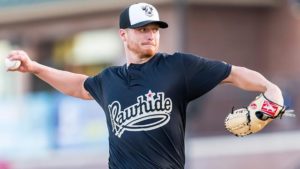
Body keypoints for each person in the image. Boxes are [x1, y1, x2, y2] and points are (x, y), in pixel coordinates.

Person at [7, 2, 284, 169]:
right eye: (142, 29)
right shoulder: (109, 80)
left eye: (154, 29)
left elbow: (234, 73)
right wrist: (34, 67)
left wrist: (271, 89)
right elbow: (79, 87)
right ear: (123, 35)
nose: (150, 35)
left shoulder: (178, 67)